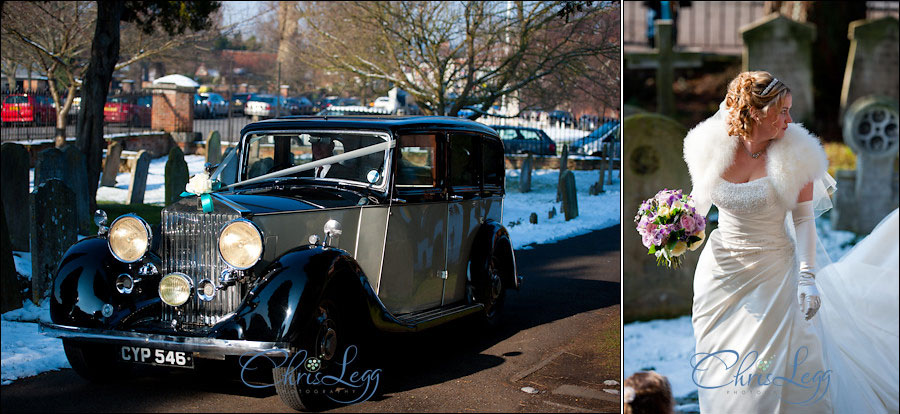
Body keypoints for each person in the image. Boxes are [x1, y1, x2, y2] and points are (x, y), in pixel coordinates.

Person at [683, 71, 899, 413]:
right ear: (757, 112)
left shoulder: (796, 154)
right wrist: (673, 228)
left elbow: (803, 220)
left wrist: (807, 277)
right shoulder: (712, 145)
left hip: (774, 272)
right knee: (719, 360)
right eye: (783, 111)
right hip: (722, 272)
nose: (790, 119)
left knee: (765, 369)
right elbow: (698, 204)